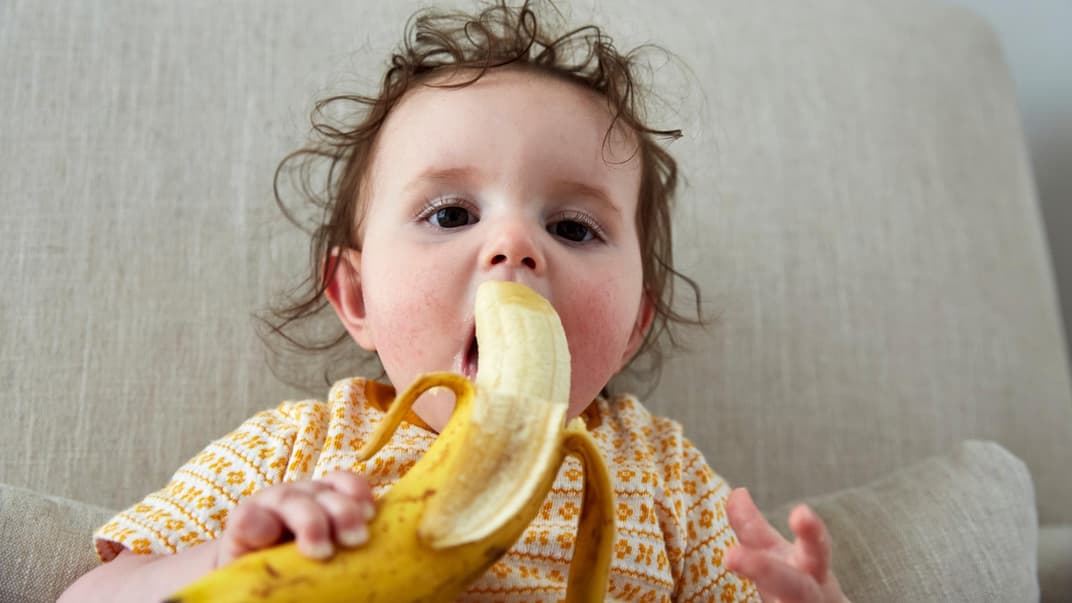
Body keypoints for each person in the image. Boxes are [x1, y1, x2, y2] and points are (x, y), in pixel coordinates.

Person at [60, 2, 848, 601]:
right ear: (357, 295)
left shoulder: (665, 474)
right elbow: (88, 595)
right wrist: (230, 559)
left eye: (573, 226)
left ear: (635, 323)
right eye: (451, 215)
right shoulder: (299, 448)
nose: (514, 246)